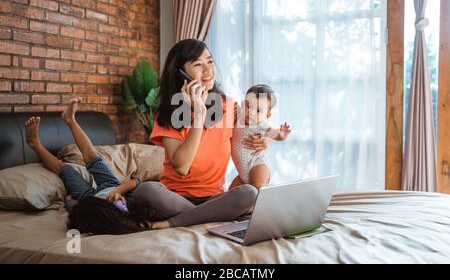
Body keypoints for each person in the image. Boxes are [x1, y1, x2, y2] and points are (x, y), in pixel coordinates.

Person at [132, 39, 271, 229]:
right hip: (174, 198)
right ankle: (205, 216)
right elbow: (181, 166)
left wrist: (265, 140)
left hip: (214, 197)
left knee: (248, 193)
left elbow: (252, 130)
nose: (208, 70)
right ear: (180, 73)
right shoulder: (168, 113)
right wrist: (199, 115)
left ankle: (174, 222)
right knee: (145, 192)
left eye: (210, 61)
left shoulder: (227, 106)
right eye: (198, 64)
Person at [24, 98, 162, 235]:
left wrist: (70, 201)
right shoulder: (129, 205)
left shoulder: (94, 215)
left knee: (65, 169)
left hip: (87, 197)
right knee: (90, 155)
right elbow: (135, 181)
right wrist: (117, 191)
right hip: (111, 185)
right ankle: (70, 119)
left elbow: (74, 206)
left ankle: (34, 143)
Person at [229, 84, 291, 189]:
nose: (251, 112)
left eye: (258, 110)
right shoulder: (239, 115)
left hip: (257, 166)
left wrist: (281, 135)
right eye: (249, 106)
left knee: (258, 188)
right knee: (229, 196)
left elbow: (273, 132)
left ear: (267, 115)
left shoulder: (260, 125)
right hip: (242, 175)